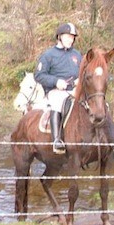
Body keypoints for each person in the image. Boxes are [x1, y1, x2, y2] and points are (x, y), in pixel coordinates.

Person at [34, 23, 82, 154]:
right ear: (59, 37)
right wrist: (56, 81)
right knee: (58, 102)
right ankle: (57, 140)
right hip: (56, 91)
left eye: (72, 38)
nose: (70, 40)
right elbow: (39, 75)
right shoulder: (48, 55)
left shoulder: (77, 55)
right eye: (68, 37)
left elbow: (83, 72)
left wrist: (80, 79)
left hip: (74, 89)